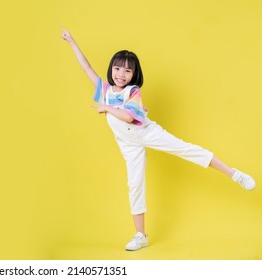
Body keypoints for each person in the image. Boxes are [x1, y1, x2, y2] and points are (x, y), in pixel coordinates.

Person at [60, 28, 256, 251]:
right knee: (134, 185)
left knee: (186, 149)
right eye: (117, 68)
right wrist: (72, 42)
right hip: (128, 144)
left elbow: (126, 116)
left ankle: (234, 174)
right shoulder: (104, 89)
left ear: (134, 75)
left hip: (147, 133)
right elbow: (86, 67)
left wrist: (107, 108)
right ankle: (140, 235)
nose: (120, 74)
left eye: (126, 70)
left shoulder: (132, 91)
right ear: (111, 69)